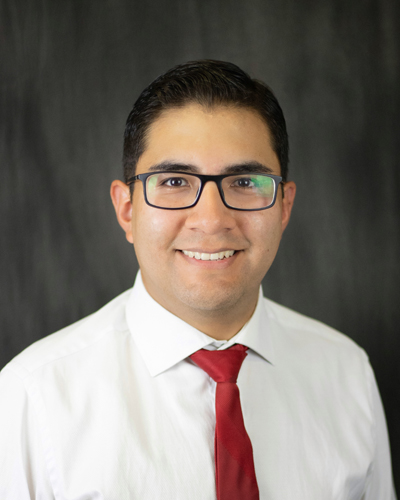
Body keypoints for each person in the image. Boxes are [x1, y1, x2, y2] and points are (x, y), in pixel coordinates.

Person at [0, 60, 396, 500]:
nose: (211, 220)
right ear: (127, 210)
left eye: (245, 181)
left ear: (284, 208)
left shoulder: (347, 373)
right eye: (174, 181)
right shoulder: (35, 397)